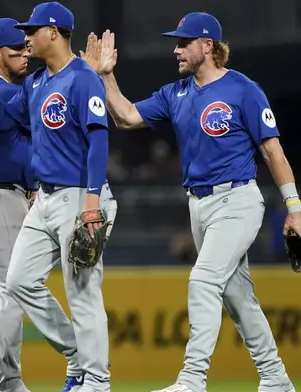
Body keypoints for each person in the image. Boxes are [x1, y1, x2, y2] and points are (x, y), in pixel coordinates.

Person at [85, 12, 299, 392]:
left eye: (184, 42)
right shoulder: (176, 93)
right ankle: (277, 379)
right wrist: (105, 76)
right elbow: (127, 116)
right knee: (237, 297)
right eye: (177, 42)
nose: (176, 49)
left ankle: (192, 379)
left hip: (237, 199)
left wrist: (294, 207)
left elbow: (273, 151)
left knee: (202, 280)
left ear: (208, 46)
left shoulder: (243, 89)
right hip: (198, 206)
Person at [0, 2, 118, 391]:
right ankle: (77, 355)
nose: (26, 37)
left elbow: (99, 138)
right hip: (46, 200)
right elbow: (4, 121)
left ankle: (97, 380)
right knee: (19, 282)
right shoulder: (37, 83)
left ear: (53, 32)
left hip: (78, 197)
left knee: (83, 291)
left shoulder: (82, 78)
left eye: (33, 30)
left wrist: (92, 201)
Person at [0, 17, 74, 392]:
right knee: (16, 292)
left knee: (5, 296)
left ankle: (8, 381)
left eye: (26, 48)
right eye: (15, 52)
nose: (25, 56)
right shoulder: (4, 92)